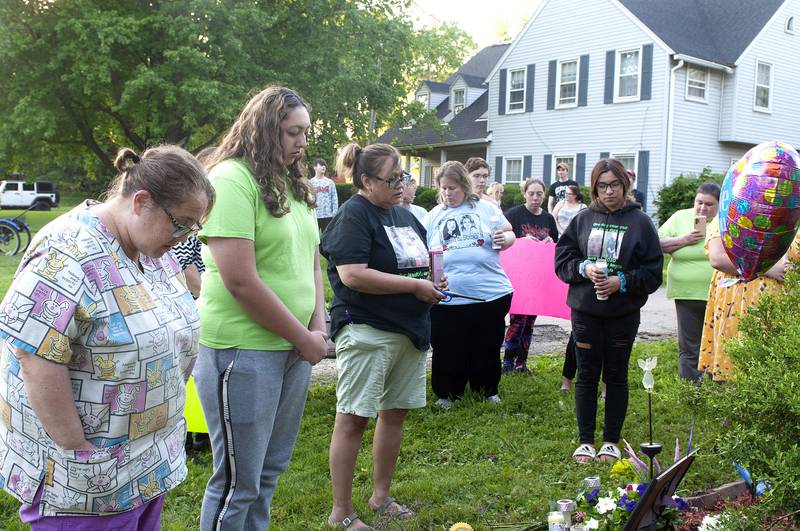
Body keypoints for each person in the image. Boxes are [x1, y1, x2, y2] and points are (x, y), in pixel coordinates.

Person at [0, 145, 214, 528]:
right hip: (86, 483)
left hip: (142, 467)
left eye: (192, 228)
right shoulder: (65, 252)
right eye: (180, 224)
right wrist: (78, 451)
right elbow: (34, 354)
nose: (184, 237)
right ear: (141, 201)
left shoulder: (152, 251)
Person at [195, 86, 329, 530]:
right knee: (238, 481)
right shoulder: (231, 180)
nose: (302, 142)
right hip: (243, 350)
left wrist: (318, 327)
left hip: (294, 348)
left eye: (305, 132)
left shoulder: (293, 184)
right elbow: (240, 281)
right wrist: (302, 337)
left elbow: (312, 258)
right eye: (293, 132)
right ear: (265, 130)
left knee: (268, 473)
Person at [321, 142, 446, 530]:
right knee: (354, 418)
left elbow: (414, 264)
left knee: (395, 414)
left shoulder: (404, 216)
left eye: (403, 177)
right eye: (391, 179)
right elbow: (353, 274)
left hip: (409, 330)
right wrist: (413, 289)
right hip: (367, 329)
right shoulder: (353, 215)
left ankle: (381, 496)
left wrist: (429, 281)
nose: (401, 185)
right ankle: (341, 512)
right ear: (365, 181)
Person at [555, 158, 663, 464]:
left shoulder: (640, 223)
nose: (609, 191)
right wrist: (583, 268)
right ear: (594, 188)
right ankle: (586, 441)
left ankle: (611, 441)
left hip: (622, 315)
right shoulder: (582, 219)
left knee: (616, 375)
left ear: (625, 185)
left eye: (614, 184)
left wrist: (622, 281)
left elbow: (654, 272)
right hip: (586, 312)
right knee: (587, 375)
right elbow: (562, 262)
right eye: (602, 185)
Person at [424, 161, 515, 407]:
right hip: (448, 296)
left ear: (464, 186)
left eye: (452, 188)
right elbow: (422, 254)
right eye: (443, 188)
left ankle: (487, 390)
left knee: (486, 344)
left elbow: (510, 233)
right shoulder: (433, 216)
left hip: (489, 293)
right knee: (447, 346)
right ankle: (447, 393)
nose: (447, 193)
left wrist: (504, 238)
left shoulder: (485, 208)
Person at [698, 210, 798, 382]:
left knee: (782, 376)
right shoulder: (730, 210)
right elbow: (718, 258)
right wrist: (766, 269)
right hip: (739, 304)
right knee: (738, 373)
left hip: (787, 306)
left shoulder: (792, 212)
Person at [658, 183, 720, 382]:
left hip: (718, 293)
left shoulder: (725, 220)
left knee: (717, 343)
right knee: (689, 346)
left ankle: (716, 389)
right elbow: (656, 243)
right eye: (699, 202)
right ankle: (691, 392)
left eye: (709, 204)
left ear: (719, 204)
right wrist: (685, 239)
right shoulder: (680, 217)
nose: (702, 208)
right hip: (686, 293)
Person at [502, 178, 558, 373]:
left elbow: (557, 246)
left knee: (530, 323)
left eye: (539, 194)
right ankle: (508, 362)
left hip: (538, 278)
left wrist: (549, 241)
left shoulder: (548, 219)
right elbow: (503, 241)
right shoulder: (514, 214)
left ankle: (521, 363)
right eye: (531, 193)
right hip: (518, 278)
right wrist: (522, 241)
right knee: (517, 321)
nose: (535, 198)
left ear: (544, 195)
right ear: (524, 194)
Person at [310, 158, 339, 232]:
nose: (324, 167)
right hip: (315, 215)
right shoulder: (310, 183)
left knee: (328, 238)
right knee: (315, 239)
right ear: (315, 167)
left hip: (328, 215)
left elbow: (334, 198)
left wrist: (334, 213)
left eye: (325, 165)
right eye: (321, 165)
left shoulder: (330, 182)